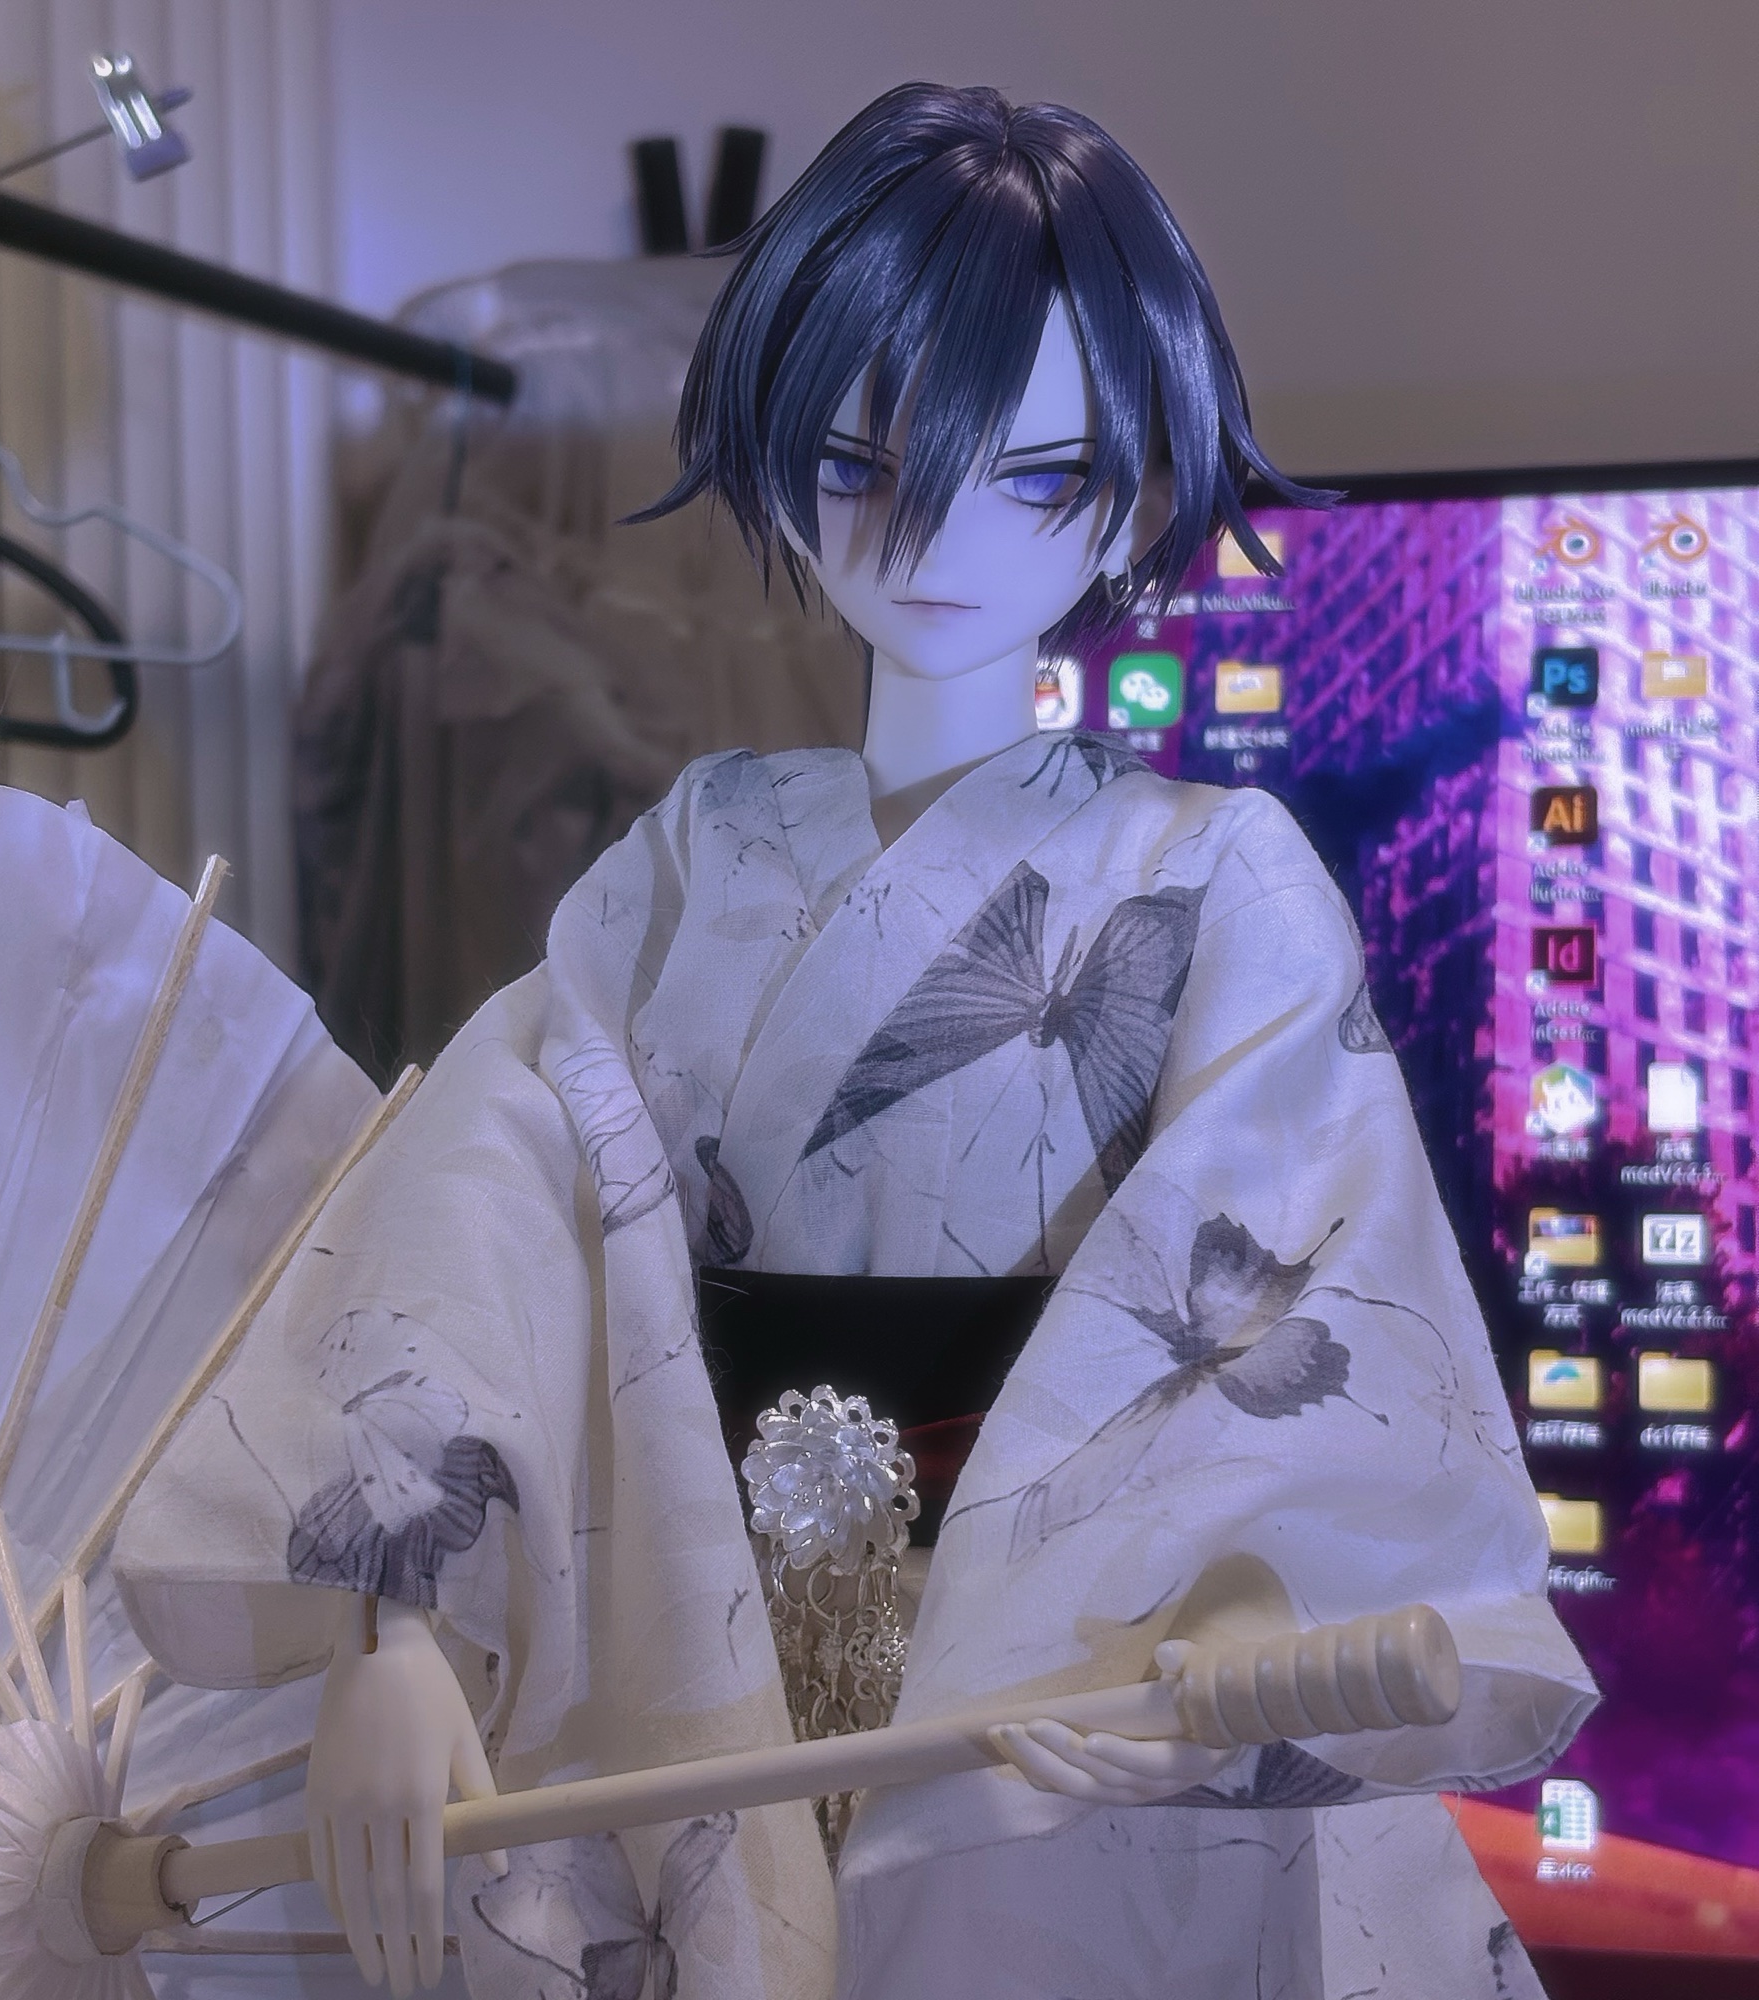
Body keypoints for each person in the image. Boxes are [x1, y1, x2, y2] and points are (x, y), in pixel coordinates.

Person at [115, 83, 1594, 2000]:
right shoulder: (694, 858)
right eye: (858, 461)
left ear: (1139, 489)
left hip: (1073, 1679)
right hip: (703, 1644)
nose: (935, 532)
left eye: (1036, 477)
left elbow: (1305, 1286)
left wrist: (1231, 1620)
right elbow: (487, 1209)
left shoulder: (1216, 876)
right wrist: (393, 1628)